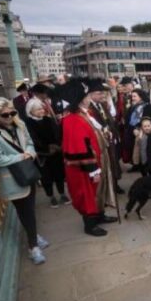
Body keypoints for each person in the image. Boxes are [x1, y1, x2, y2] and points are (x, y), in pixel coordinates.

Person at [0, 97, 47, 264]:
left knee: (29, 210)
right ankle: (33, 247)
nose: (10, 117)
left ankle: (34, 237)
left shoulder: (20, 126)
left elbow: (30, 143)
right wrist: (20, 156)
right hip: (12, 179)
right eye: (5, 115)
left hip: (28, 173)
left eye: (12, 113)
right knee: (25, 211)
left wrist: (30, 153)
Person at [61, 78, 118, 237]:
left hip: (96, 160)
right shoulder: (72, 119)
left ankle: (99, 215)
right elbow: (78, 147)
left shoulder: (85, 114)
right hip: (84, 168)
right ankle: (90, 224)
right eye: (86, 97)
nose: (89, 99)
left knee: (97, 191)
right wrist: (92, 169)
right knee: (88, 194)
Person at [25, 98, 70, 208]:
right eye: (37, 110)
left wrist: (57, 146)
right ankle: (51, 197)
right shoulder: (28, 124)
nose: (41, 111)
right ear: (30, 111)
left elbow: (57, 133)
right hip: (42, 155)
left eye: (41, 109)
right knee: (46, 178)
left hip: (56, 153)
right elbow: (32, 139)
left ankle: (62, 194)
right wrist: (47, 147)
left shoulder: (48, 120)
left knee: (59, 174)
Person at [88, 83, 124, 194]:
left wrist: (115, 134)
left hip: (110, 138)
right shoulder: (90, 108)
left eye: (103, 93)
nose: (102, 95)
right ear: (91, 94)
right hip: (101, 140)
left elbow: (110, 120)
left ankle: (114, 184)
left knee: (113, 162)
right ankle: (106, 188)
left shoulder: (102, 104)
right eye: (99, 93)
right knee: (105, 164)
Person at [123, 89, 151, 171]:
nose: (132, 98)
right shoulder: (132, 108)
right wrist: (133, 129)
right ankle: (136, 165)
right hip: (133, 134)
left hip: (146, 135)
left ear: (141, 96)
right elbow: (128, 121)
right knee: (135, 151)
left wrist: (142, 129)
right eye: (132, 96)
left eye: (134, 96)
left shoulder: (149, 107)